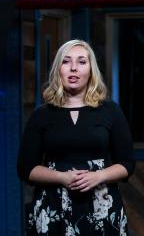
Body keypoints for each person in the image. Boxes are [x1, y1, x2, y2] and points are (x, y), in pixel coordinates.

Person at [17, 39, 135, 235]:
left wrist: (99, 176)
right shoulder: (42, 114)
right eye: (66, 61)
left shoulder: (110, 110)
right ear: (58, 69)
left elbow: (127, 163)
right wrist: (62, 177)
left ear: (91, 70)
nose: (73, 68)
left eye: (81, 62)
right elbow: (25, 168)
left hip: (101, 207)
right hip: (53, 207)